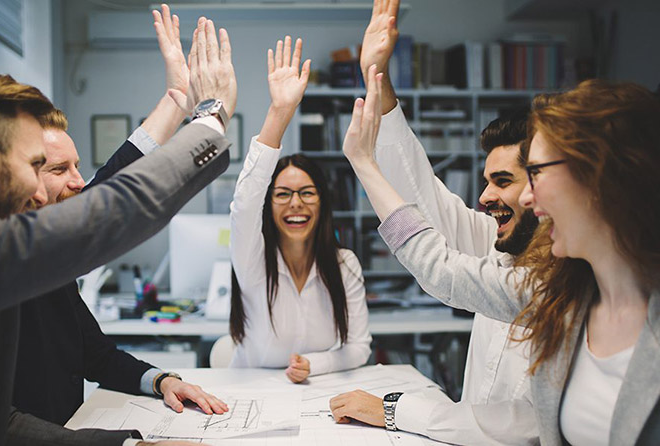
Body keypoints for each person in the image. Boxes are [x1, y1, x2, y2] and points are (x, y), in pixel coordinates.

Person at [0, 13, 236, 444]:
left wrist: (176, 105)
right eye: (34, 166)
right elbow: (115, 207)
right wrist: (211, 117)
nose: (38, 194)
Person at [342, 66, 660, 444]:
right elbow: (425, 209)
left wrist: (364, 163)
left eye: (536, 173)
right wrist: (379, 82)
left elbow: (526, 425)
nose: (524, 196)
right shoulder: (561, 294)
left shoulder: (561, 290)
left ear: (598, 178)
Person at [328, 1, 539, 443]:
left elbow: (521, 427)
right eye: (486, 181)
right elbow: (422, 194)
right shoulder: (499, 244)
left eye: (503, 180)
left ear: (544, 187)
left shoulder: (569, 282)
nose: (484, 198)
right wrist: (377, 76)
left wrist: (393, 409)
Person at [12, 6, 226, 433]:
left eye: (77, 167)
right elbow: (113, 195)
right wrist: (209, 118)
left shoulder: (46, 259)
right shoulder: (5, 263)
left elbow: (95, 355)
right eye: (58, 170)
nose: (78, 183)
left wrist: (161, 380)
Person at [228, 36, 371, 383]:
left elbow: (359, 346)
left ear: (322, 202)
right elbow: (245, 204)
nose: (296, 203)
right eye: (283, 194)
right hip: (251, 394)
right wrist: (280, 113)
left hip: (314, 394)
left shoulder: (344, 264)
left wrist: (314, 365)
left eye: (307, 193)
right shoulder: (252, 259)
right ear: (269, 203)